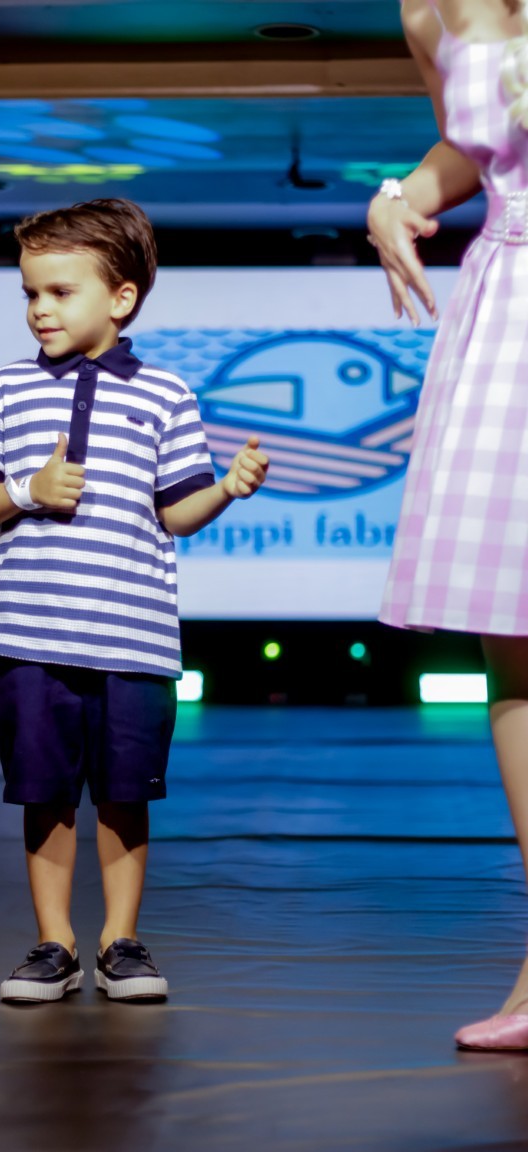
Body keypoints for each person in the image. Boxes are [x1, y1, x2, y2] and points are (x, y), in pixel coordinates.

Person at [0, 197, 269, 1004]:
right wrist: (30, 488)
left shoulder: (166, 394)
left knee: (126, 795)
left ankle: (120, 941)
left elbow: (176, 511)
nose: (40, 309)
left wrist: (227, 489)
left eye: (60, 292)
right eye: (31, 293)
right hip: (30, 633)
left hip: (134, 635)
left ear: (122, 298)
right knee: (44, 793)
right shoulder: (5, 389)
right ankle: (53, 944)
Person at [366, 0, 528, 1049]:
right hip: (511, 302)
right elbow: (470, 147)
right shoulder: (429, 7)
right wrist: (402, 196)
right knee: (516, 644)